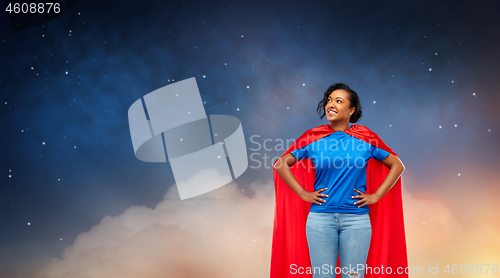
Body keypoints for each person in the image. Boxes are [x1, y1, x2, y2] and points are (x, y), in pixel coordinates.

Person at [271, 83, 407, 278]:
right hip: (320, 220)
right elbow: (280, 164)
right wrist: (303, 193)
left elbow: (397, 165)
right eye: (329, 100)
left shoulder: (366, 139)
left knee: (352, 276)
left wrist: (376, 195)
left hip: (357, 221)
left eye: (338, 101)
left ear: (351, 110)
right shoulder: (312, 138)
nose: (331, 104)